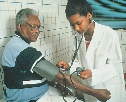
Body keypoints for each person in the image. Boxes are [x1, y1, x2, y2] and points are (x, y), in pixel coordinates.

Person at [2, 8, 111, 102]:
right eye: (33, 27)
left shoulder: (18, 44)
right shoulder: (21, 49)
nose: (37, 31)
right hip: (30, 99)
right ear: (20, 27)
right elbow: (60, 77)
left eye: (38, 27)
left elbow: (44, 74)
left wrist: (58, 84)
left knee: (71, 91)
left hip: (36, 92)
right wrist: (95, 93)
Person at [56, 0, 126, 102]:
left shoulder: (109, 34)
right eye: (72, 25)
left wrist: (93, 73)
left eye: (78, 23)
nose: (76, 28)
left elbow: (114, 66)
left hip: (108, 88)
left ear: (89, 15)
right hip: (90, 90)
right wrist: (69, 65)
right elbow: (78, 60)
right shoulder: (78, 37)